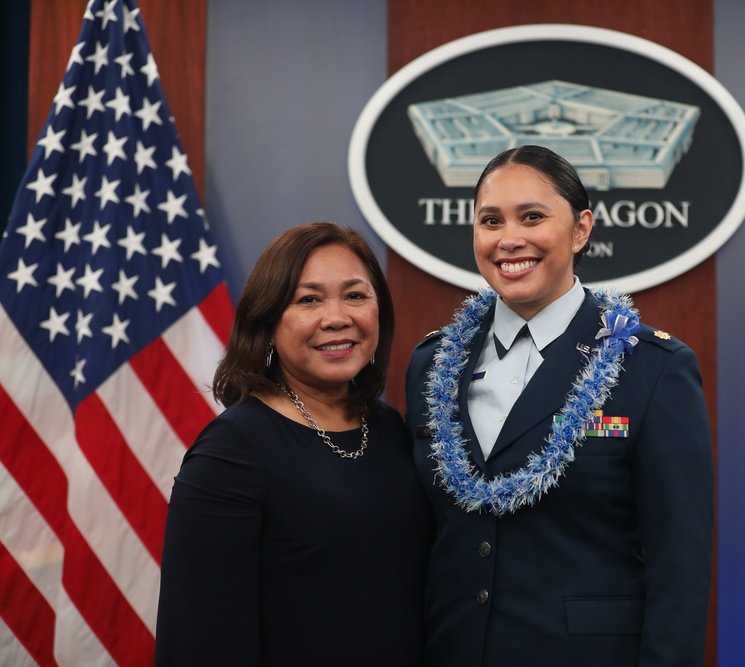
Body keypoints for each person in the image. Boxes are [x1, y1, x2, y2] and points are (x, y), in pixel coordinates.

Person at [405, 146, 714, 666]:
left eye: (532, 217)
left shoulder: (653, 368)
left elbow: (679, 569)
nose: (509, 240)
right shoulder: (432, 363)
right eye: (490, 220)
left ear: (580, 230)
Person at [155, 222, 432, 666]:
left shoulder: (388, 426)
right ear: (266, 321)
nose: (338, 317)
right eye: (309, 300)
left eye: (356, 295)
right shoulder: (232, 451)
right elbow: (198, 638)